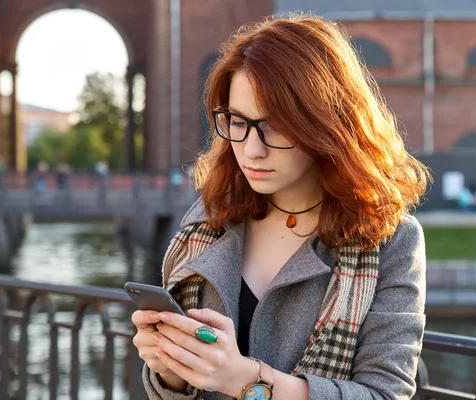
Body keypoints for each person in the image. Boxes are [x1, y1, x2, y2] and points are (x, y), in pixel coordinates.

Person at [131, 14, 430, 400]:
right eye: (237, 121)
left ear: (325, 124)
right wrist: (170, 366)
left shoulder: (389, 241)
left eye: (274, 125)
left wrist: (246, 380)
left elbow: (384, 394)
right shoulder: (209, 221)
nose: (251, 149)